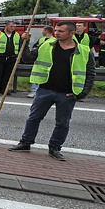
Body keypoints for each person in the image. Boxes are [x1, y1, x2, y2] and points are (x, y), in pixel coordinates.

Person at [9, 22, 95, 161]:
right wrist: (23, 42)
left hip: (67, 93)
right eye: (56, 30)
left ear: (71, 33)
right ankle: (25, 142)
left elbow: (90, 74)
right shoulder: (46, 45)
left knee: (62, 123)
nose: (57, 33)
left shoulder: (84, 51)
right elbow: (27, 58)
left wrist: (82, 93)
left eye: (61, 31)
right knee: (34, 118)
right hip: (45, 89)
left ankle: (55, 148)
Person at [0, 21, 21, 95]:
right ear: (6, 26)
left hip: (11, 58)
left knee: (7, 75)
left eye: (14, 27)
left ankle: (3, 89)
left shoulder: (16, 35)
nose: (13, 28)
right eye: (11, 26)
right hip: (0, 57)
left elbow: (19, 46)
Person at [25, 26, 54, 98]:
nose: (42, 32)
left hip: (48, 64)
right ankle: (34, 90)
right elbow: (35, 48)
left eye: (43, 30)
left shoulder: (54, 41)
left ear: (46, 31)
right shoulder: (41, 39)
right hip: (39, 63)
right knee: (37, 78)